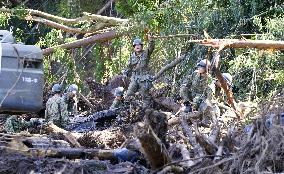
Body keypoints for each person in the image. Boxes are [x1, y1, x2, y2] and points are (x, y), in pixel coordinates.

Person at [123, 35, 155, 108]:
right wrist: (125, 74)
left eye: (139, 45)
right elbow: (129, 67)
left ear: (141, 46)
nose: (137, 46)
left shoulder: (146, 53)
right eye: (135, 45)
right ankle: (126, 110)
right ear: (134, 47)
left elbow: (151, 48)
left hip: (144, 77)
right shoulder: (132, 56)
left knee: (145, 95)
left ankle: (147, 110)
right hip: (135, 77)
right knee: (129, 94)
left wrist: (151, 40)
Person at [179, 59, 214, 126]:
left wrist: (208, 102)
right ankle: (187, 105)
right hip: (193, 95)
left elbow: (210, 93)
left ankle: (203, 119)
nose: (199, 68)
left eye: (201, 67)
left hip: (202, 99)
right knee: (183, 88)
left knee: (204, 108)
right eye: (199, 66)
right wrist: (184, 87)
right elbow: (187, 82)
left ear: (206, 69)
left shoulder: (209, 79)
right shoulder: (195, 74)